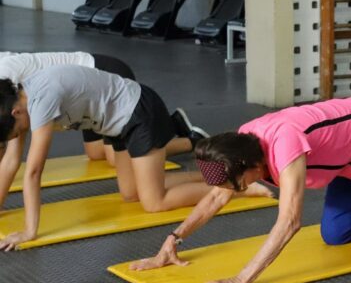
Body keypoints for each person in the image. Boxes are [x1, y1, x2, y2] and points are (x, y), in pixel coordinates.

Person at [129, 98, 351, 283]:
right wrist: (174, 238)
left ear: (252, 167)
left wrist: (240, 280)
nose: (235, 190)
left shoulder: (285, 146)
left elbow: (290, 221)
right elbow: (216, 197)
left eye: (238, 184)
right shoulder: (242, 145)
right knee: (336, 235)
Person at [0, 67, 258, 251]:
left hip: (138, 113)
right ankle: (214, 175)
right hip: (116, 125)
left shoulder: (41, 99)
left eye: (19, 129)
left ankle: (237, 188)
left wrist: (29, 231)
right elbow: (15, 161)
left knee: (155, 201)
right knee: (131, 193)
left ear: (16, 112)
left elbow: (33, 172)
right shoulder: (24, 98)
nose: (22, 133)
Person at [0, 51, 204, 163]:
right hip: (80, 103)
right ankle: (171, 125)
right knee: (96, 153)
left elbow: (11, 154)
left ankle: (191, 141)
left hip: (100, 77)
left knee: (116, 158)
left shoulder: (5, 78)